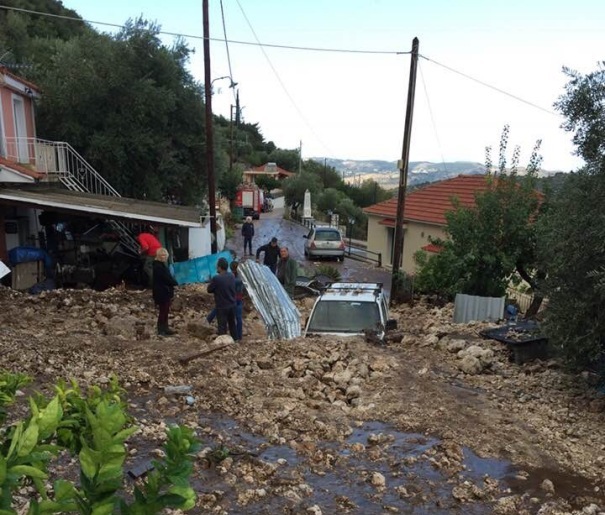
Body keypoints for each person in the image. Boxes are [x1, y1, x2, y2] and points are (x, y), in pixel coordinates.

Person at [207, 257, 237, 340]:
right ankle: (235, 341)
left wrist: (211, 281)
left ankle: (223, 345)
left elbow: (209, 290)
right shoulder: (231, 275)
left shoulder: (216, 278)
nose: (216, 268)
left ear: (220, 267)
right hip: (232, 305)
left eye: (217, 266)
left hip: (222, 307)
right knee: (232, 325)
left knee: (222, 328)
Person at [152, 247, 178, 336]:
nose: (165, 257)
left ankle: (165, 328)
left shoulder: (159, 266)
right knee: (163, 310)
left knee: (165, 310)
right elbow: (166, 278)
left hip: (163, 291)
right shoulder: (159, 267)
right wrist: (174, 282)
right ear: (161, 256)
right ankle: (161, 330)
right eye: (164, 255)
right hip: (162, 292)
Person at [231, 260, 244, 340]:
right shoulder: (241, 276)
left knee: (232, 318)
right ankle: (239, 336)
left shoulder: (233, 278)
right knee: (239, 318)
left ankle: (235, 336)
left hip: (233, 299)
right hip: (240, 298)